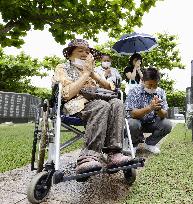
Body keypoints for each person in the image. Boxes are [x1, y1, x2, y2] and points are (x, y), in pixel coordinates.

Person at [52, 39, 130, 174]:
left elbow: (111, 89)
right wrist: (86, 74)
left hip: (100, 103)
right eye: (80, 51)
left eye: (87, 52)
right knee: (101, 105)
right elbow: (67, 94)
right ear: (70, 55)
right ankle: (88, 157)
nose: (84, 54)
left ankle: (114, 153)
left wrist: (93, 74)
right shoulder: (62, 68)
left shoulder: (93, 71)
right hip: (76, 106)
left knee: (117, 103)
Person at [124, 67, 173, 154]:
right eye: (149, 85)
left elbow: (164, 114)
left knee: (167, 124)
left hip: (151, 122)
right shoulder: (134, 91)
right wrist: (150, 108)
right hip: (137, 122)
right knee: (132, 123)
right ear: (143, 81)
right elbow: (132, 114)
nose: (152, 88)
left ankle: (150, 143)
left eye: (155, 85)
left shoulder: (161, 92)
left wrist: (158, 109)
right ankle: (133, 145)